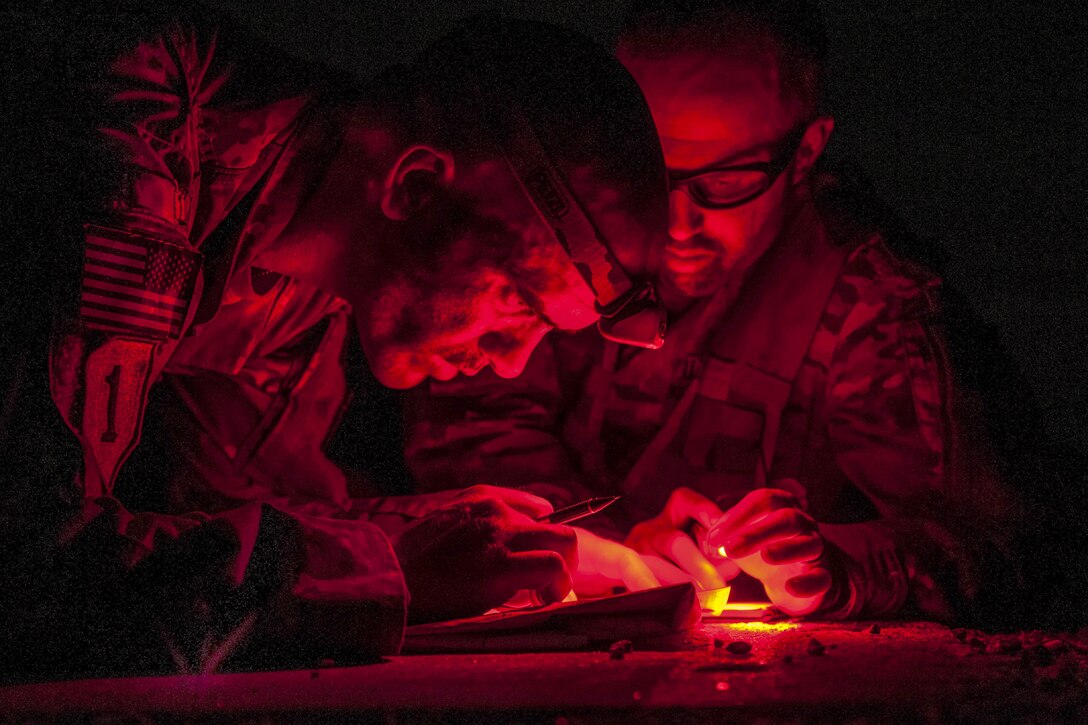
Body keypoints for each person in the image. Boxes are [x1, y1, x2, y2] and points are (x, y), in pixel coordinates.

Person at [0, 2, 673, 680]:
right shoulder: (143, 129)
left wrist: (451, 535)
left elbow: (207, 521)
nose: (509, 362)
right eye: (519, 303)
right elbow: (30, 564)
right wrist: (390, 567)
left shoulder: (308, 299)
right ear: (413, 186)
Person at [404, 0, 1057, 626]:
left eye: (725, 184)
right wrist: (609, 548)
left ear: (805, 153)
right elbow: (469, 431)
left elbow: (1012, 543)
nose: (677, 223)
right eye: (650, 172)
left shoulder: (869, 301)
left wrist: (838, 566)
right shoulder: (559, 239)